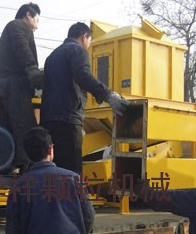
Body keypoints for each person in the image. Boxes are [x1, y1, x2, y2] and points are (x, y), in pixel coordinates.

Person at [40, 21, 130, 174]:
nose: (88, 44)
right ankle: (71, 197)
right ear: (84, 37)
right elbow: (83, 75)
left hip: (48, 120)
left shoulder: (52, 56)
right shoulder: (78, 51)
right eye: (89, 40)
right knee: (71, 170)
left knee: (53, 169)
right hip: (68, 119)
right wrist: (108, 95)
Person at [0, 2, 42, 171]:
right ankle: (26, 168)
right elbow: (22, 49)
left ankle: (8, 166)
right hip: (16, 86)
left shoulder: (10, 29)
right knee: (25, 129)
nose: (37, 25)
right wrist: (34, 73)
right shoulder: (18, 26)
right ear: (28, 15)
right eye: (37, 19)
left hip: (5, 86)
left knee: (8, 129)